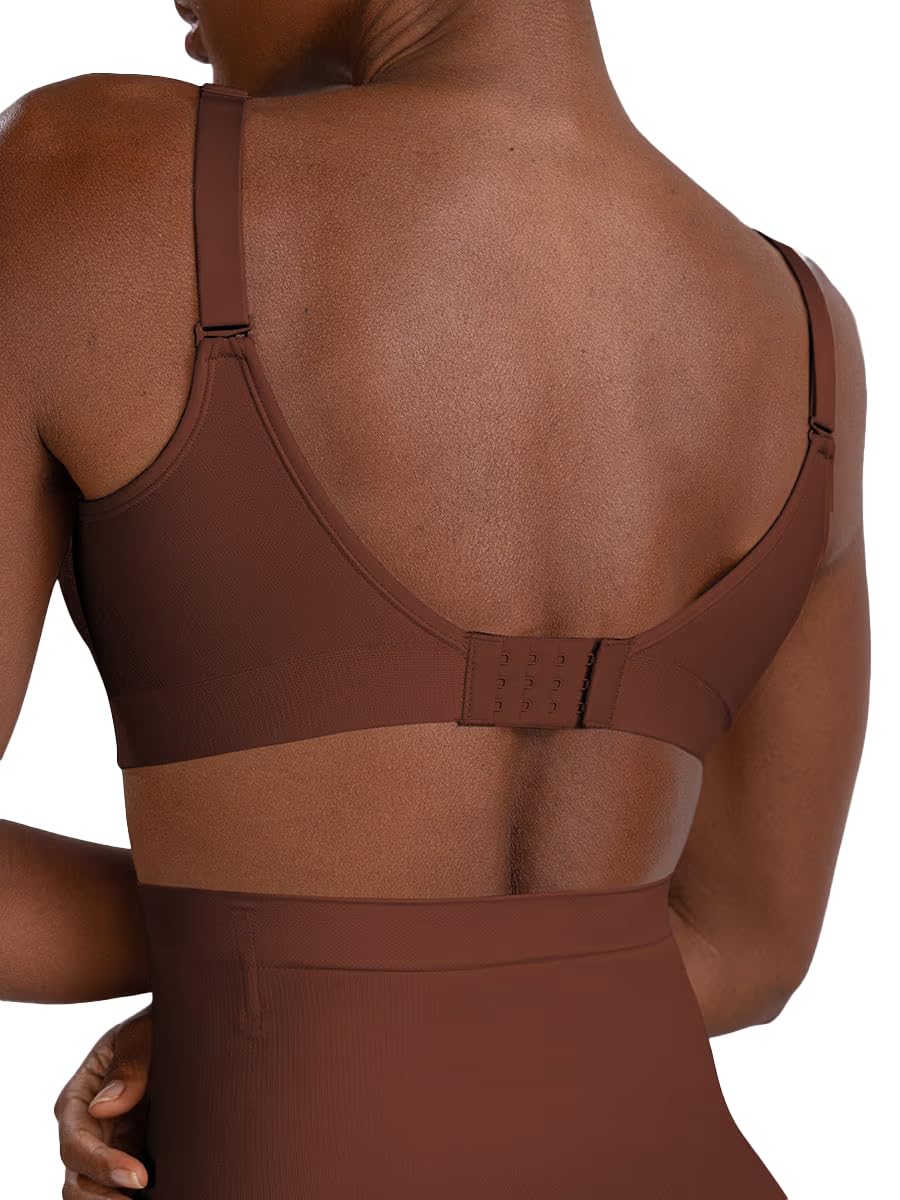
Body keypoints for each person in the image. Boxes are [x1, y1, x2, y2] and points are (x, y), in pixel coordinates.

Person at [0, 1, 869, 1197]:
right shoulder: (806, 334)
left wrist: (270, 970)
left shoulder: (87, 180)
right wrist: (408, 982)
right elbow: (745, 945)